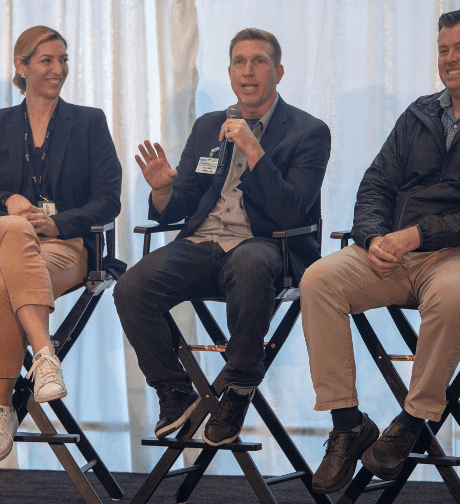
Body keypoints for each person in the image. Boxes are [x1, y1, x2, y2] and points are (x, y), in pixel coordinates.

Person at [302, 9, 460, 494]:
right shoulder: (417, 114)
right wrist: (372, 237)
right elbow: (375, 184)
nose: (450, 58)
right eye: (443, 50)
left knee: (454, 295)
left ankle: (412, 422)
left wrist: (417, 234)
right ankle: (347, 422)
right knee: (318, 279)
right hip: (396, 252)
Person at [114, 28, 330, 446]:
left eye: (259, 61)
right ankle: (174, 390)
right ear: (230, 72)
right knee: (131, 287)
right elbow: (185, 201)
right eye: (239, 62)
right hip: (203, 244)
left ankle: (237, 388)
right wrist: (162, 190)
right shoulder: (209, 125)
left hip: (268, 247)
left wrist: (254, 151)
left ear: (278, 71)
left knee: (250, 262)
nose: (248, 71)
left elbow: (290, 210)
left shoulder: (308, 131)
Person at [0, 25, 122, 464]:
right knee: (13, 229)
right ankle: (44, 354)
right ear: (22, 66)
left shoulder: (89, 122)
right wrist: (5, 201)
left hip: (61, 245)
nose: (58, 69)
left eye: (63, 59)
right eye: (47, 60)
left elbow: (109, 201)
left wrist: (56, 223)